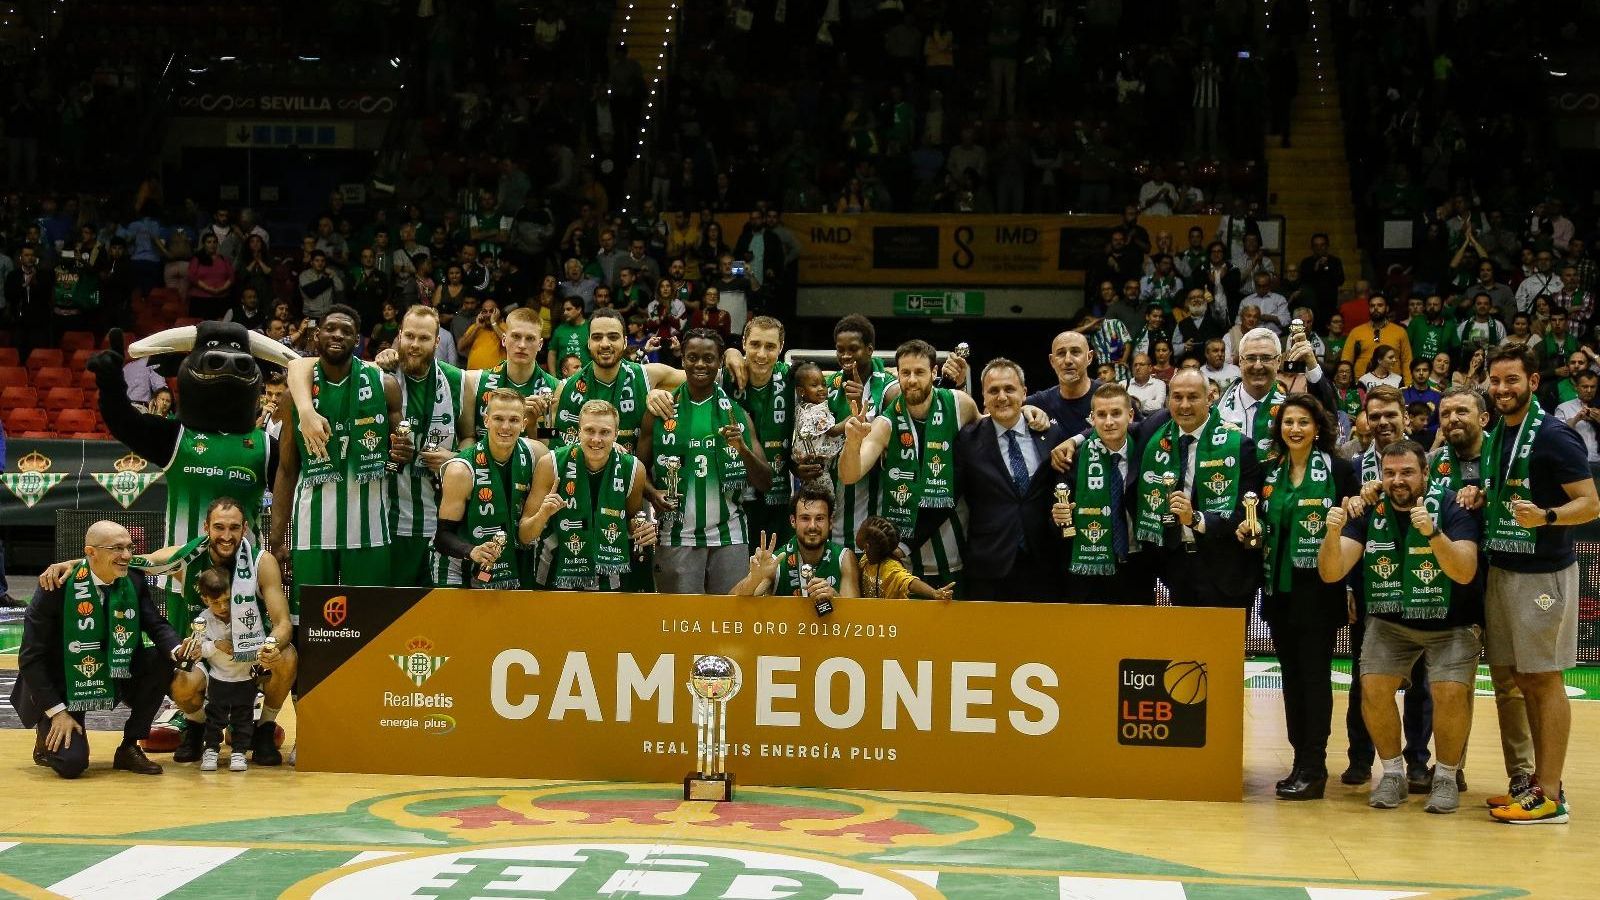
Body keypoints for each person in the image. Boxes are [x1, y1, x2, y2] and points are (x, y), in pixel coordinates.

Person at [1469, 345, 1600, 823]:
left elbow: (1591, 504)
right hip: (1504, 569)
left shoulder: (1553, 436)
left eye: (1511, 380)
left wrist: (1546, 516)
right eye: (1495, 381)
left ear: (1533, 381)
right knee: (1519, 679)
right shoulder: (1499, 434)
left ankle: (1552, 795)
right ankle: (1535, 786)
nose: (1502, 389)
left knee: (1544, 680)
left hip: (1543, 575)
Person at [1319, 440, 1482, 814]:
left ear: (1426, 473)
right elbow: (1331, 572)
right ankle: (1393, 774)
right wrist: (1332, 534)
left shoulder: (1452, 505)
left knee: (1449, 691)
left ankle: (1445, 777)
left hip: (1452, 621)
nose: (1397, 481)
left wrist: (1433, 533)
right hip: (1392, 620)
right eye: (1389, 473)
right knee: (1373, 685)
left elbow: (1464, 571)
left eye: (1407, 472)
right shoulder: (1367, 509)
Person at [1246, 394, 1359, 800]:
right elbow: (1260, 523)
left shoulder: (1340, 471)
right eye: (1288, 422)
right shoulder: (1269, 472)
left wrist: (1349, 586)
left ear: (1317, 428)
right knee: (1291, 679)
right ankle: (1299, 761)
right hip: (1279, 591)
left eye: (1303, 422)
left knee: (1314, 678)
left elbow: (1354, 533)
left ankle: (1315, 766)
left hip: (1320, 592)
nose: (1295, 429)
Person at [1431, 387, 1537, 799]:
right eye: (1446, 413)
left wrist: (1486, 494)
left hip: (1503, 575)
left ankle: (1521, 772)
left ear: (1483, 418)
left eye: (1462, 411)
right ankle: (1450, 766)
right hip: (1455, 582)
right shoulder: (1434, 462)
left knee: (1509, 681)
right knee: (1455, 682)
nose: (1452, 419)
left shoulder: (1507, 455)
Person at [11, 521, 179, 778]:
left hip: (114, 670)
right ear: (91, 552)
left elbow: (156, 624)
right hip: (64, 683)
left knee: (161, 659)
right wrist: (57, 712)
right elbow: (30, 658)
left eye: (130, 548)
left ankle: (129, 747)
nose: (126, 555)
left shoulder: (133, 579)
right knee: (72, 765)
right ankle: (46, 730)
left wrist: (178, 649)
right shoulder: (56, 585)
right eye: (117, 548)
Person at [271, 306, 400, 618]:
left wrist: (402, 453)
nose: (338, 335)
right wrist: (277, 536)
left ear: (357, 340)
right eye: (331, 329)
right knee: (314, 625)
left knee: (369, 622)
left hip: (369, 528)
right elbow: (287, 469)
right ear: (317, 335)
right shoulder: (295, 396)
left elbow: (398, 458)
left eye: (347, 331)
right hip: (312, 529)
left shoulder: (384, 385)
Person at [1342, 384, 1436, 788]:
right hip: (1371, 586)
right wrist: (1348, 587)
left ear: (1405, 417)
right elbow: (1345, 530)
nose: (1382, 422)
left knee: (1421, 681)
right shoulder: (1352, 466)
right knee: (1364, 677)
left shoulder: (1426, 463)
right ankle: (1360, 758)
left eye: (1390, 415)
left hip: (1423, 584)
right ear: (1365, 419)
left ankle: (1417, 761)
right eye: (1375, 415)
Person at [638, 328, 771, 594]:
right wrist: (653, 494)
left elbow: (766, 481)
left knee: (729, 617)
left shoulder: (737, 415)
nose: (700, 364)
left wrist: (743, 450)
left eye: (708, 358)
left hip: (730, 536)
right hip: (676, 535)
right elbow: (637, 471)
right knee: (679, 619)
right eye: (693, 357)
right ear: (683, 360)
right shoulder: (660, 411)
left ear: (720, 362)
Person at [841, 340, 979, 593]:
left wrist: (1027, 410)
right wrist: (851, 443)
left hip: (953, 550)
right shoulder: (885, 423)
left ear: (934, 373)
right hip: (902, 559)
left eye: (919, 372)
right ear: (898, 374)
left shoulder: (960, 404)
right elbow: (850, 475)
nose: (912, 380)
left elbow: (990, 435)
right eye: (905, 373)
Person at [1132, 368, 1263, 607]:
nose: (1184, 405)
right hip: (1175, 569)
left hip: (1224, 570)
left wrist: (1195, 519)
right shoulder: (1154, 435)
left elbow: (1246, 513)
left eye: (1193, 397)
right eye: (1177, 397)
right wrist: (1074, 440)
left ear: (1210, 398)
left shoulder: (1239, 446)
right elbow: (1112, 428)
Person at [957, 358, 1071, 601]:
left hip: (1045, 564)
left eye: (1009, 389)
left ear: (1024, 392)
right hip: (989, 565)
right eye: (993, 390)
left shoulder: (1051, 434)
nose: (1002, 397)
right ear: (983, 397)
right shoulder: (967, 440)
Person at [523, 400, 656, 591]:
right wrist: (543, 514)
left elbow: (631, 519)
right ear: (579, 432)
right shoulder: (550, 464)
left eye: (605, 432)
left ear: (616, 435)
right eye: (589, 430)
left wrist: (643, 529)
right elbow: (525, 535)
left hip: (610, 573)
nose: (596, 439)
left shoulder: (634, 469)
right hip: (557, 570)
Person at [433, 389, 547, 587]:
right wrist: (471, 551)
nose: (505, 426)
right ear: (486, 421)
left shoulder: (536, 453)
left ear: (523, 424)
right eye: (498, 418)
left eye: (513, 420)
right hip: (459, 568)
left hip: (512, 565)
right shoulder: (460, 470)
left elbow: (564, 454)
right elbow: (442, 537)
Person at [1051, 382, 1153, 605]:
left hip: (1140, 564)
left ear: (1130, 415)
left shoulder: (1146, 450)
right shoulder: (1073, 458)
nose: (1108, 422)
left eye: (1116, 413)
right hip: (1088, 565)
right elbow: (1058, 517)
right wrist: (1058, 517)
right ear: (1092, 418)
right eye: (1101, 414)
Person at [823, 315, 898, 544]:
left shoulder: (889, 388)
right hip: (834, 504)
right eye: (840, 350)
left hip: (874, 508)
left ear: (869, 349)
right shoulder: (829, 385)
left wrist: (860, 407)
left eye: (853, 349)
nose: (846, 356)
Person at [726, 316, 797, 544]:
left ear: (781, 348)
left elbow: (829, 379)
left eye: (770, 346)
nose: (762, 354)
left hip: (777, 500)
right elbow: (681, 378)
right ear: (743, 343)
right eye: (755, 344)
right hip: (729, 502)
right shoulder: (723, 377)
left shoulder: (792, 378)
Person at [1218, 326, 1336, 459]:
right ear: (1240, 361)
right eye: (1250, 358)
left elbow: (1329, 426)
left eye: (1266, 358)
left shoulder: (1292, 407)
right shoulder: (1217, 408)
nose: (1258, 365)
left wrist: (1312, 365)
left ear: (1278, 361)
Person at [731, 484, 859, 602]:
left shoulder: (844, 558)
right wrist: (754, 579)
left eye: (819, 518)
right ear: (793, 521)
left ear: (830, 522)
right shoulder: (776, 562)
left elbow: (855, 614)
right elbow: (730, 603)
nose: (812, 526)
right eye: (805, 518)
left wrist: (835, 597)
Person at [192, 568, 260, 773]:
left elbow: (259, 641)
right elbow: (199, 649)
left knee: (243, 718)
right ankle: (211, 749)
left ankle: (239, 752)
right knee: (214, 718)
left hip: (245, 678)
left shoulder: (247, 613)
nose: (222, 607)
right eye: (215, 602)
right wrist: (216, 645)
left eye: (227, 600)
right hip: (218, 678)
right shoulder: (202, 620)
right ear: (205, 599)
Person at [854, 516, 954, 600]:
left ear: (866, 546)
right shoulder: (866, 559)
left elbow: (910, 582)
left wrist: (934, 593)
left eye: (859, 530)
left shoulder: (890, 568)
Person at [1026, 331, 1100, 435]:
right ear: (1052, 361)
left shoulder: (1110, 395)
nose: (1068, 360)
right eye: (1061, 353)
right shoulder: (1040, 402)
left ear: (1089, 357)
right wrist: (1023, 409)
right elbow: (1006, 410)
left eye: (1075, 352)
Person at [1341, 295, 1412, 378]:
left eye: (1380, 305)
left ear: (1387, 308)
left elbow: (1407, 361)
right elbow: (1346, 360)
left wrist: (1408, 384)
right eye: (1372, 306)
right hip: (1362, 382)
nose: (1375, 308)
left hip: (1392, 382)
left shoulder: (1400, 332)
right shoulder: (1356, 332)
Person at [1554, 371, 1600, 462]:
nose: (1589, 390)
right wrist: (1575, 419)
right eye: (1585, 387)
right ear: (1576, 387)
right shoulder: (1563, 408)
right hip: (1574, 461)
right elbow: (1557, 435)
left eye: (1592, 387)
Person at [547, 296, 590, 375]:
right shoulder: (560, 329)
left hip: (586, 378)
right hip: (562, 379)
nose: (565, 313)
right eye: (564, 310)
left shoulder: (590, 328)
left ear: (579, 309)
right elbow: (552, 353)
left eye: (569, 309)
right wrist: (553, 377)